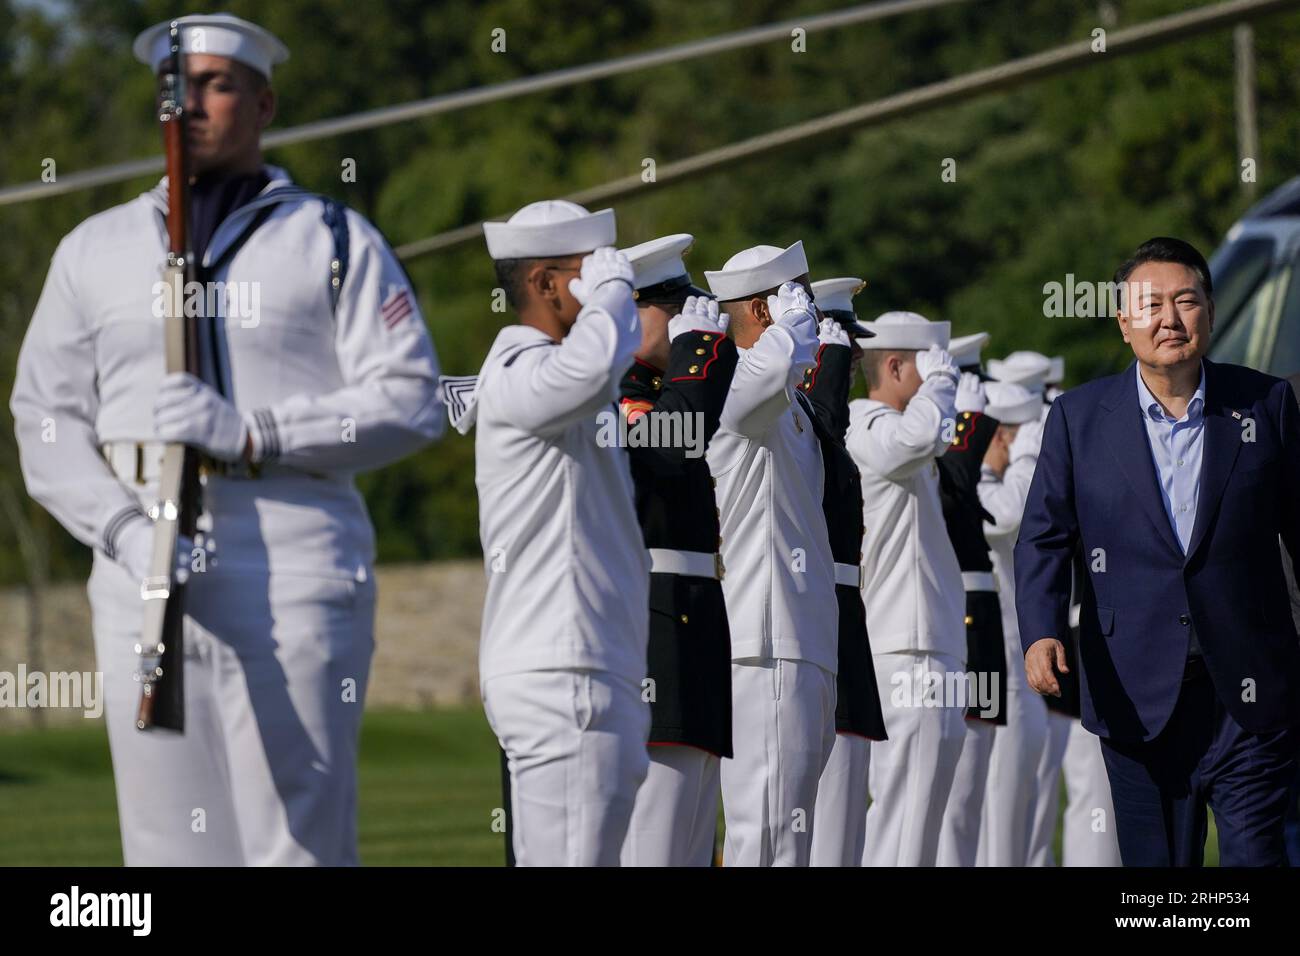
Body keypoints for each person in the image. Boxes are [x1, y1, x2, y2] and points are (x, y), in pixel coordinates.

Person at [10, 13, 443, 865]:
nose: (195, 104)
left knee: (294, 844)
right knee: (167, 848)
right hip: (138, 564)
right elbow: (45, 416)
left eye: (218, 83)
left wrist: (256, 432)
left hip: (291, 556)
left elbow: (413, 399)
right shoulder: (93, 249)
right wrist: (124, 531)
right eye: (180, 87)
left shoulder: (332, 239)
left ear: (264, 101)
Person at [1017, 236, 1300, 866]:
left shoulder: (1265, 405)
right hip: (1134, 690)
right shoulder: (1079, 419)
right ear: (1124, 322)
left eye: (1185, 301)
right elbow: (1044, 535)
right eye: (1149, 305)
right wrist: (1039, 632)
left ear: (1211, 310)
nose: (1168, 319)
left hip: (1248, 693)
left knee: (1256, 858)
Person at [469, 199, 648, 866]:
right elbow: (590, 368)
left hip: (589, 664)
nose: (608, 278)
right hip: (562, 669)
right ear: (547, 284)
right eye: (589, 268)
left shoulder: (558, 379)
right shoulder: (521, 369)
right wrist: (612, 298)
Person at [703, 242, 838, 866]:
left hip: (802, 640)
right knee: (766, 834)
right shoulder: (738, 386)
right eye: (799, 296)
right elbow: (766, 371)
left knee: (791, 838)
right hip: (765, 643)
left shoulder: (788, 404)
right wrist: (792, 325)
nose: (810, 309)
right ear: (766, 307)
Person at [615, 234, 738, 867]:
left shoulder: (675, 390)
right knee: (654, 843)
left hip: (693, 629)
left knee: (691, 842)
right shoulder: (615, 395)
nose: (695, 322)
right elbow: (671, 446)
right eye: (676, 308)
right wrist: (697, 359)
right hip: (653, 629)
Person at [849, 311, 966, 866]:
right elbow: (916, 439)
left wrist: (937, 391)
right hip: (904, 649)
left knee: (921, 819)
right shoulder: (867, 426)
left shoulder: (907, 435)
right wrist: (941, 386)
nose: (940, 380)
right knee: (904, 817)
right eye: (927, 367)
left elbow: (931, 438)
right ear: (894, 366)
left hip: (929, 647)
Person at [801, 278, 888, 867]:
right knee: (814, 818)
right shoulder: (795, 423)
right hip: (810, 618)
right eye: (837, 340)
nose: (854, 356)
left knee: (845, 815)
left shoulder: (830, 429)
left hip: (843, 622)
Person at [935, 331, 1008, 867]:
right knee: (950, 798)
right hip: (951, 622)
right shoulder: (932, 457)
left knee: (970, 792)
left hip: (977, 626)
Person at [973, 381, 1044, 866]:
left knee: (1019, 804)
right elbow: (1006, 516)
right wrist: (1027, 459)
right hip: (995, 669)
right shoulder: (976, 481)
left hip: (1016, 672)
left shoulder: (998, 482)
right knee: (999, 809)